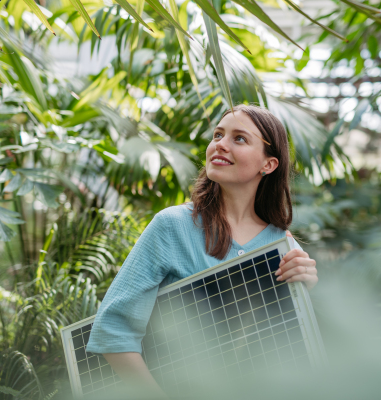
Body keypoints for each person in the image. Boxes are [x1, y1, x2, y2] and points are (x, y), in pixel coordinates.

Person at [86, 104, 318, 397]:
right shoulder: (172, 226)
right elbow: (113, 331)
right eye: (218, 135)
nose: (220, 144)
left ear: (268, 165)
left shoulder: (281, 244)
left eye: (239, 138)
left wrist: (306, 288)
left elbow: (290, 346)